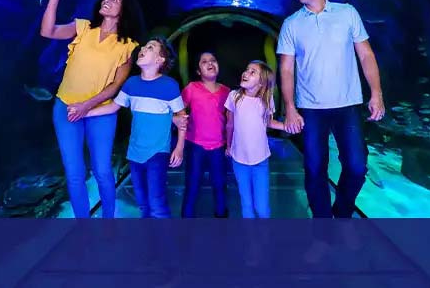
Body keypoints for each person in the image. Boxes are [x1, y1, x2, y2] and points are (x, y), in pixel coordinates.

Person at [277, 0, 385, 219]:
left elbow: (366, 55)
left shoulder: (347, 13)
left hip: (347, 105)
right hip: (312, 109)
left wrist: (376, 93)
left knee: (357, 167)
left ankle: (343, 213)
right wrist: (290, 108)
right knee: (315, 169)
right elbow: (286, 70)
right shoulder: (291, 24)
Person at [39, 0, 143, 218]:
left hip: (100, 112)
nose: (107, 0)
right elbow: (47, 31)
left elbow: (115, 87)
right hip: (66, 108)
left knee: (102, 170)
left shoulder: (128, 46)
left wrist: (86, 107)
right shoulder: (83, 27)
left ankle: (108, 221)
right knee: (74, 174)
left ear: (124, 10)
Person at [88, 37, 187, 218]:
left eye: (150, 47)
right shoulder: (131, 83)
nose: (143, 48)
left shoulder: (169, 86)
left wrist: (179, 148)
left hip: (158, 152)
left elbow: (182, 117)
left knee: (157, 202)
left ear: (160, 60)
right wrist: (85, 111)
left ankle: (167, 243)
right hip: (134, 153)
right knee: (142, 203)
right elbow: (113, 107)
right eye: (144, 46)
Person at [225, 61, 287, 218]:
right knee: (246, 204)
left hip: (260, 160)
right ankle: (251, 240)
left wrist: (286, 126)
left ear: (261, 82)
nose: (246, 73)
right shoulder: (234, 96)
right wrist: (228, 146)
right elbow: (230, 124)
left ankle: (265, 239)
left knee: (262, 207)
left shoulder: (266, 100)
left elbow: (269, 122)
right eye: (246, 70)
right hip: (239, 160)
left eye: (252, 72)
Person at [179, 52, 231, 218]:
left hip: (219, 147)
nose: (210, 63)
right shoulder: (192, 88)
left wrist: (230, 146)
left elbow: (231, 122)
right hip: (195, 146)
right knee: (192, 185)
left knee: (220, 184)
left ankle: (222, 220)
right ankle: (185, 224)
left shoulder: (227, 92)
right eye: (204, 62)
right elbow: (179, 110)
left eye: (213, 60)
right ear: (198, 71)